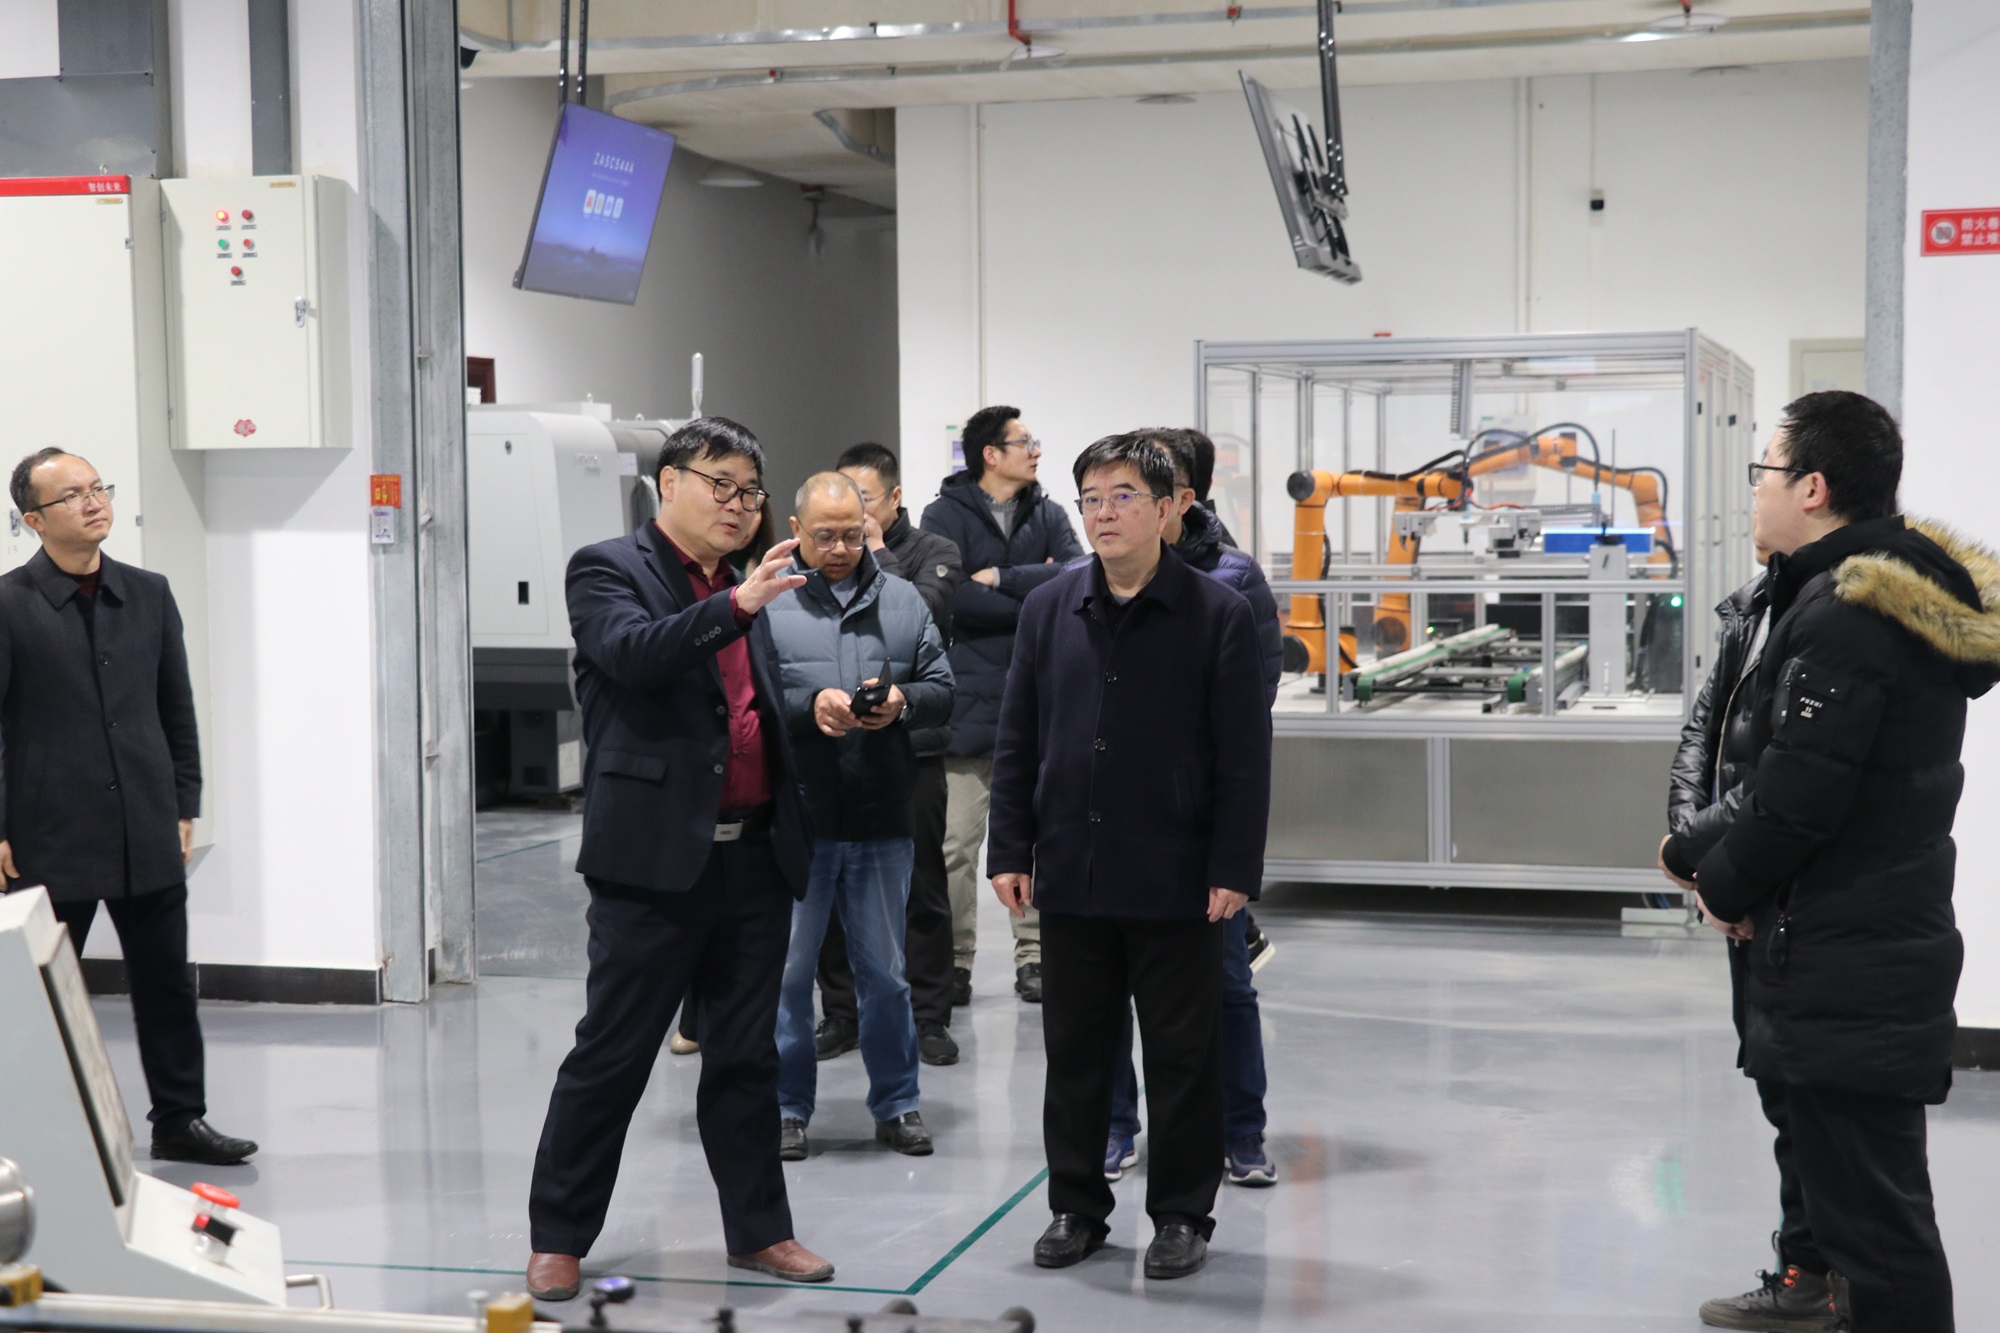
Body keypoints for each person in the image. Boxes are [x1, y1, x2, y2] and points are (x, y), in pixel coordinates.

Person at [1656, 391, 2000, 1333]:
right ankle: (1817, 1291)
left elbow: (1797, 795)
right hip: (1848, 943)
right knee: (1853, 1207)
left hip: (1849, 956)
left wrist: (1718, 884)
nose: (1755, 490)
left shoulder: (1851, 613)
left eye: (1763, 470)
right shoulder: (1841, 594)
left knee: (1880, 1233)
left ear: (1811, 487)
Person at [525, 417, 833, 1300]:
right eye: (721, 485)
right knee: (612, 1054)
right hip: (652, 862)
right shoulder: (608, 568)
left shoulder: (743, 582)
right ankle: (558, 1235)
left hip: (753, 857)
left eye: (751, 492)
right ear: (670, 483)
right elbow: (632, 654)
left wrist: (821, 709)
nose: (739, 505)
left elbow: (744, 706)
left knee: (745, 1057)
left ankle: (760, 1230)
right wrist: (735, 607)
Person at [988, 433, 1272, 1280]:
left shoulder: (1216, 612)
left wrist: (1233, 867)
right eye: (1091, 498)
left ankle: (1181, 1213)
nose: (1104, 513)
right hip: (1072, 867)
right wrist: (1010, 845)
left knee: (1183, 1054)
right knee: (1077, 1051)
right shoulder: (1051, 608)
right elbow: (1019, 735)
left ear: (1169, 507)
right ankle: (1076, 1206)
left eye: (1123, 496)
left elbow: (1244, 755)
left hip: (1177, 874)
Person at [0, 449, 255, 1168]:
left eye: (97, 488)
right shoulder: (9, 604)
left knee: (166, 983)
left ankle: (180, 1119)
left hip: (144, 823)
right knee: (45, 990)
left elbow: (177, 707)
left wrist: (184, 802)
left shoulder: (148, 593)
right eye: (71, 495)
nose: (93, 502)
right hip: (48, 832)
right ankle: (39, 1128)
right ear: (33, 520)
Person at [1103, 431, 1281, 1191]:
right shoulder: (1095, 577)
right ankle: (1115, 1125)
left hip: (1197, 824)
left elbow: (1252, 706)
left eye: (1140, 489)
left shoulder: (1232, 579)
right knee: (1106, 993)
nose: (1118, 507)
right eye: (1105, 494)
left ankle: (1241, 1131)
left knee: (1227, 986)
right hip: (1111, 823)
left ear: (1182, 498)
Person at [764, 473, 954, 1161]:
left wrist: (902, 703)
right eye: (825, 536)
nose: (840, 548)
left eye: (852, 535)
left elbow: (943, 688)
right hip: (800, 818)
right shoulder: (770, 601)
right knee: (788, 975)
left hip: (880, 816)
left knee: (886, 974)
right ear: (797, 530)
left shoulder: (902, 599)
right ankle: (786, 1108)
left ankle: (898, 1104)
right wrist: (807, 706)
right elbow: (749, 699)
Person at [921, 406, 1083, 1005]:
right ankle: (953, 962)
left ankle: (1035, 956)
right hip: (968, 703)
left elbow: (1075, 574)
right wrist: (1034, 591)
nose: (1036, 450)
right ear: (991, 453)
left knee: (1039, 843)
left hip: (1039, 696)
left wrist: (1003, 578)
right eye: (1025, 441)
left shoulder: (1050, 512)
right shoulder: (943, 515)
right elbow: (953, 597)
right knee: (956, 847)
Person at [815, 444, 966, 1066]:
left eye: (864, 502)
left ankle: (928, 1016)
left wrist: (877, 553)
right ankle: (841, 1012)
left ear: (894, 498)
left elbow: (922, 617)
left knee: (922, 888)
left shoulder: (934, 551)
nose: (850, 520)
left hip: (912, 751)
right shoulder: (823, 559)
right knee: (829, 888)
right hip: (832, 751)